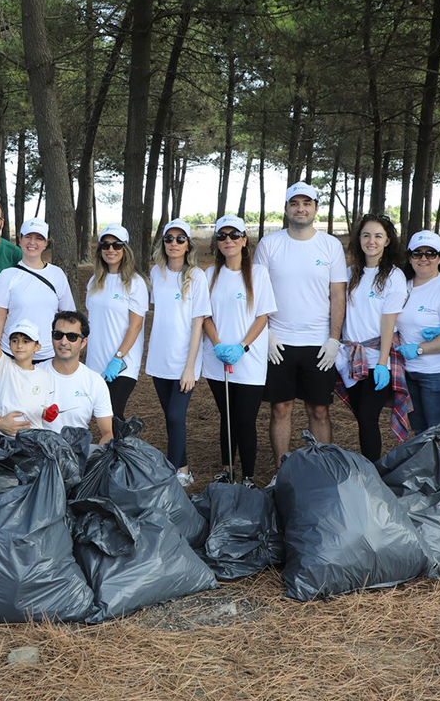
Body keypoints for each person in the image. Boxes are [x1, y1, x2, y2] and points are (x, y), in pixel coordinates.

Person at [253, 181, 348, 474]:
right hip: (279, 342)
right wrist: (266, 333)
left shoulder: (330, 245)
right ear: (286, 209)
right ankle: (281, 473)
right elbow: (258, 292)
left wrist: (334, 339)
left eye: (307, 203)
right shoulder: (269, 244)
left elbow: (337, 294)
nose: (301, 209)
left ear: (316, 208)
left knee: (318, 410)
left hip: (318, 343)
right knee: (281, 409)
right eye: (294, 203)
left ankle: (323, 471)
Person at [200, 215, 276, 487]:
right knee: (228, 416)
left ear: (244, 240)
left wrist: (242, 346)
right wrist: (218, 344)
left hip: (249, 360)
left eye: (234, 235)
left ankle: (248, 476)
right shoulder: (210, 275)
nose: (228, 240)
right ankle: (227, 469)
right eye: (222, 236)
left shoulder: (258, 274)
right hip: (217, 359)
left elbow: (262, 316)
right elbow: (205, 315)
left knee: (245, 419)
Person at [335, 214, 409, 462]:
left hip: (378, 358)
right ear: (359, 239)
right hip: (350, 358)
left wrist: (382, 364)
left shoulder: (393, 276)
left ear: (387, 241)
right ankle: (369, 468)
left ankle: (373, 472)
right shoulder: (350, 274)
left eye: (378, 236)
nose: (371, 241)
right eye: (366, 235)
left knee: (368, 417)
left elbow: (389, 322)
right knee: (361, 417)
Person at [146, 219, 211, 486]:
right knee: (170, 418)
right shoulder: (156, 273)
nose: (174, 243)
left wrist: (190, 367)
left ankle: (172, 476)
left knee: (176, 416)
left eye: (180, 239)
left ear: (188, 245)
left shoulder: (197, 276)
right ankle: (183, 469)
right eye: (169, 239)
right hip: (159, 358)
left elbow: (198, 324)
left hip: (185, 361)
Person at [0, 311, 113, 444]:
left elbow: (107, 432)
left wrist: (101, 455)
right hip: (34, 448)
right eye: (58, 335)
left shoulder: (95, 382)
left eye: (72, 337)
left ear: (84, 342)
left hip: (75, 452)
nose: (63, 342)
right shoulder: (32, 371)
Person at [394, 230, 440, 438]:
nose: (423, 258)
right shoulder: (402, 286)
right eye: (417, 253)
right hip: (409, 372)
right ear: (409, 257)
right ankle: (426, 462)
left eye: (431, 253)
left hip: (439, 373)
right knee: (420, 432)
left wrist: (419, 349)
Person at [0, 218, 76, 363]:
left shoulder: (57, 274)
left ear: (46, 243)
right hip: (12, 354)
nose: (32, 242)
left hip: (48, 355)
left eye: (39, 238)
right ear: (20, 239)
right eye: (28, 237)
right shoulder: (7, 275)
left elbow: (68, 316)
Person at [84, 224, 148, 418]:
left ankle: (122, 440)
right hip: (95, 360)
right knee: (100, 415)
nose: (110, 249)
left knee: (113, 413)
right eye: (105, 245)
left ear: (125, 249)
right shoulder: (94, 281)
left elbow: (136, 325)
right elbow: (89, 320)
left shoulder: (135, 283)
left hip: (122, 363)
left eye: (116, 245)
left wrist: (118, 357)